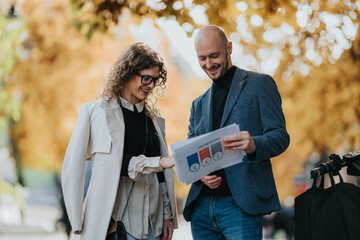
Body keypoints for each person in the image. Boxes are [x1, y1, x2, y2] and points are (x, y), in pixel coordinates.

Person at [182, 25, 290, 240]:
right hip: (201, 207)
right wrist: (198, 174)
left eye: (214, 56)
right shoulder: (198, 104)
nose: (209, 64)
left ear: (229, 48)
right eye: (202, 58)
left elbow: (281, 137)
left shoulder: (260, 85)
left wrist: (254, 145)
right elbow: (189, 153)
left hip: (240, 206)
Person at [62, 42, 178, 240]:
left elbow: (161, 177)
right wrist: (76, 220)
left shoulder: (154, 119)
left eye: (155, 80)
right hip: (113, 225)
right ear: (127, 73)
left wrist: (167, 216)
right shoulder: (95, 112)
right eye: (146, 78)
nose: (150, 85)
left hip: (153, 224)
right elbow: (73, 168)